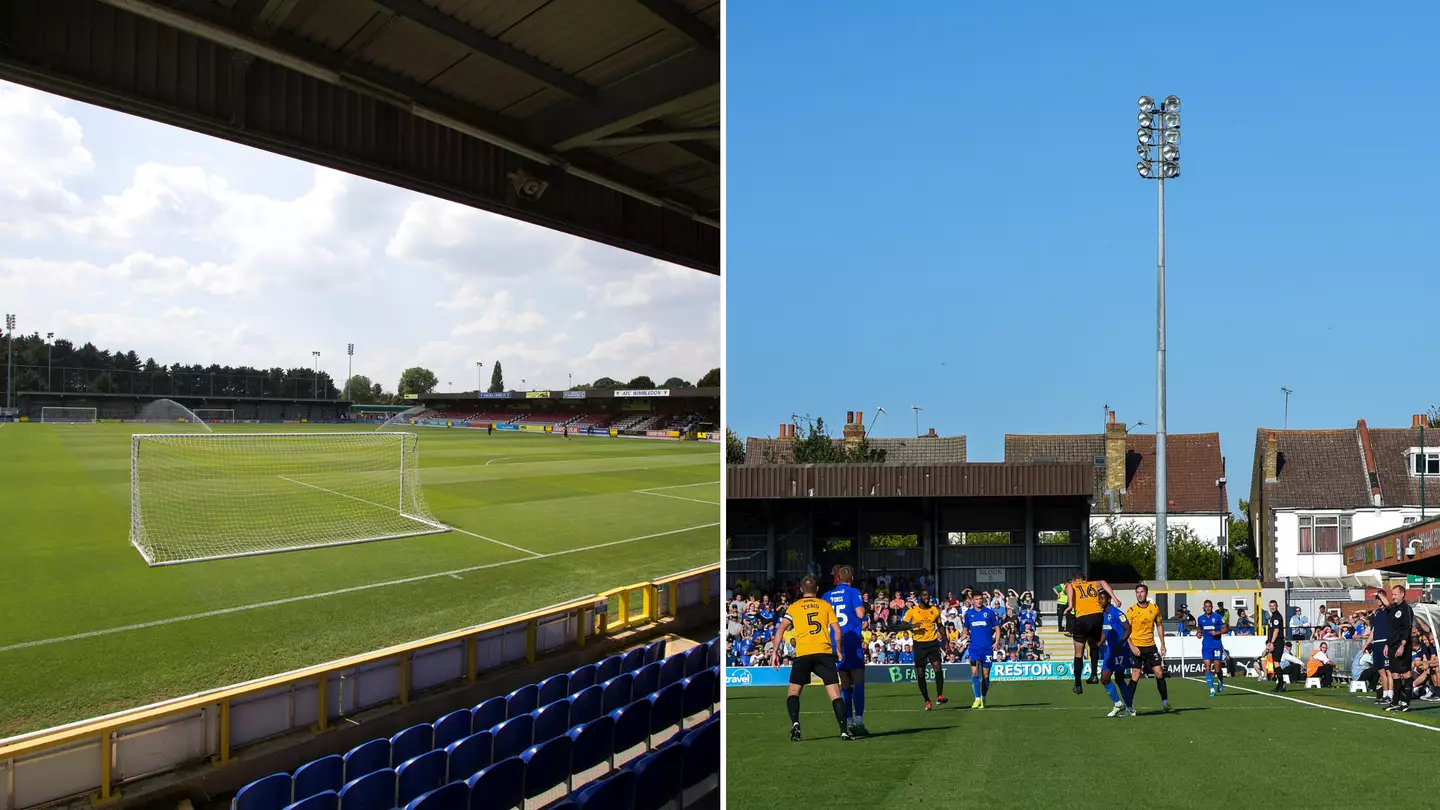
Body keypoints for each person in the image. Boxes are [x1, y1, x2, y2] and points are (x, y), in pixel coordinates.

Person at [769, 575, 852, 741]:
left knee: (793, 692)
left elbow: (780, 630)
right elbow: (837, 631)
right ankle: (843, 731)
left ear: (801, 589)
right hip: (823, 652)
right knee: (835, 693)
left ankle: (795, 724)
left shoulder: (794, 607)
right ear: (817, 590)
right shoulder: (825, 605)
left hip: (803, 653)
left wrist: (774, 652)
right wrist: (840, 650)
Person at [823, 566, 870, 735]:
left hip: (836, 643)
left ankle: (848, 722)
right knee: (858, 681)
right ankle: (858, 721)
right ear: (851, 578)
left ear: (837, 578)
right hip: (851, 640)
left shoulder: (827, 595)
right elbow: (860, 613)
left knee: (845, 684)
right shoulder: (852, 592)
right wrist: (864, 614)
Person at [1063, 573, 1120, 693]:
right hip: (1097, 616)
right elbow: (1103, 581)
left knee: (1079, 652)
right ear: (1085, 580)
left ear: (1074, 580)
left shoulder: (1072, 584)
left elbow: (1068, 586)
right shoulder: (1092, 584)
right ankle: (1094, 675)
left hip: (1083, 617)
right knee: (1093, 644)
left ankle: (1078, 684)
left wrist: (1070, 605)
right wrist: (1114, 598)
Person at [897, 590, 948, 710]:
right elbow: (902, 625)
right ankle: (927, 700)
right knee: (920, 673)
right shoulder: (912, 611)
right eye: (924, 595)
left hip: (932, 642)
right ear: (919, 597)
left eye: (928, 595)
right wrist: (912, 626)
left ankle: (939, 695)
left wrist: (945, 641)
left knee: (938, 667)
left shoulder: (934, 610)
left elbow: (940, 626)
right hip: (919, 644)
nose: (926, 597)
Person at [1125, 584, 1171, 712]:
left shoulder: (1154, 608)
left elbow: (1159, 625)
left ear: (1146, 593)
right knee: (1136, 675)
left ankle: (1165, 703)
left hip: (1150, 647)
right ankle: (1129, 706)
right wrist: (1132, 646)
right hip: (1137, 647)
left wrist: (1162, 644)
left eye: (1142, 592)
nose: (1139, 594)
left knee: (1159, 673)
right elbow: (1125, 631)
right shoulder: (1131, 611)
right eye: (1137, 592)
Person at [1097, 591, 1135, 717]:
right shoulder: (1104, 614)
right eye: (1099, 599)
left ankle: (1130, 709)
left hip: (1120, 651)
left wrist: (1121, 643)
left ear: (1108, 600)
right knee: (1104, 678)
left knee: (1119, 679)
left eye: (1102, 598)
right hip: (1109, 651)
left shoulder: (1117, 613)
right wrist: (1099, 643)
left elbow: (1128, 628)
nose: (1100, 601)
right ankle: (1118, 704)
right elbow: (1105, 631)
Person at [960, 590, 1000, 709]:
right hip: (974, 648)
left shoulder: (989, 612)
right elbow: (965, 630)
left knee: (986, 675)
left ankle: (983, 697)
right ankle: (977, 699)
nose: (978, 601)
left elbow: (997, 628)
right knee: (974, 672)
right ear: (972, 600)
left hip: (987, 648)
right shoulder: (968, 614)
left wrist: (996, 642)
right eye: (976, 599)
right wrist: (959, 640)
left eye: (980, 599)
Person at [1381, 585, 1416, 712]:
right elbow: (1392, 630)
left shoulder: (1406, 609)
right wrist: (1387, 644)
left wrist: (1402, 645)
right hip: (1392, 645)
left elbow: (1407, 628)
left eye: (1395, 594)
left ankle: (1406, 702)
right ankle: (1396, 702)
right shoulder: (1394, 609)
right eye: (1392, 594)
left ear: (1402, 594)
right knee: (1394, 673)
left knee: (1406, 673)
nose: (1393, 597)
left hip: (1403, 646)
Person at [1195, 599, 1229, 696]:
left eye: (1209, 606)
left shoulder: (1218, 617)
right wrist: (1198, 633)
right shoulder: (1200, 618)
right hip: (1206, 645)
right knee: (1207, 666)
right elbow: (1200, 628)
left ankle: (1220, 679)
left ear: (1212, 607)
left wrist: (1217, 633)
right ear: (1204, 608)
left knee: (1217, 669)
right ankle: (1211, 689)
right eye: (1206, 607)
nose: (1208, 608)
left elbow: (1226, 628)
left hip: (1217, 645)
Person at [1264, 599, 1286, 692]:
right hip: (1275, 641)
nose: (1272, 607)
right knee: (1275, 663)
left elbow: (1276, 631)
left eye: (1273, 606)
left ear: (1276, 606)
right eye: (1270, 606)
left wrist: (1272, 642)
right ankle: (1280, 684)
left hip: (1278, 641)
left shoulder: (1277, 616)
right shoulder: (1272, 616)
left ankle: (1281, 684)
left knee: (1276, 662)